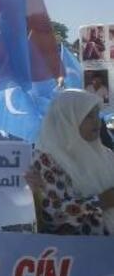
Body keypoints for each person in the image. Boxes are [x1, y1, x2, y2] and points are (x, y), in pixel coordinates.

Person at [31, 89, 114, 235]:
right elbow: (53, 215)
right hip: (79, 251)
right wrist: (101, 201)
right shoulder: (47, 160)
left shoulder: (105, 154)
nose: (96, 120)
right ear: (67, 119)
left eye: (96, 114)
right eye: (88, 115)